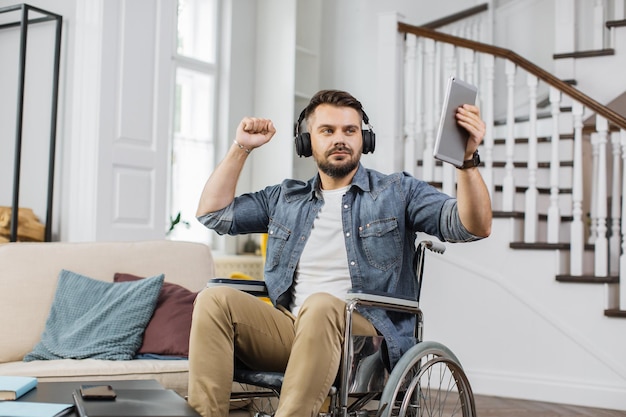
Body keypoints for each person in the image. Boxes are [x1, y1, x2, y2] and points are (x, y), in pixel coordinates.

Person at [188, 89, 492, 417]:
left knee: (321, 305)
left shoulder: (397, 191)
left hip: (366, 341)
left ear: (365, 139)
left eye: (350, 131)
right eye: (327, 131)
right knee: (213, 299)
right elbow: (213, 214)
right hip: (296, 331)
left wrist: (467, 162)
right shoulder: (285, 199)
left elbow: (471, 226)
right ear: (307, 142)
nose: (340, 139)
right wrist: (241, 148)